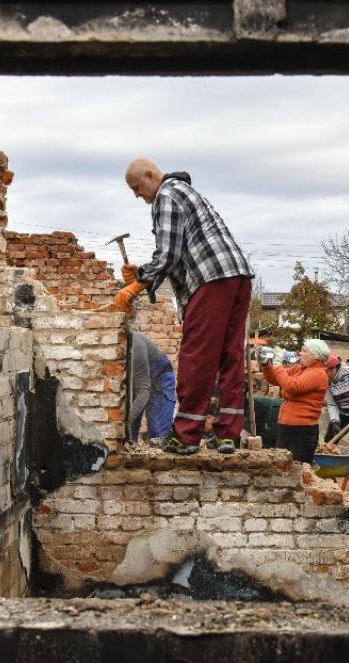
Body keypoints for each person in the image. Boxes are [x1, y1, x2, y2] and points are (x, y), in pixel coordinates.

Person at [116, 158, 253, 455]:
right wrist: (143, 275)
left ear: (151, 175)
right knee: (230, 355)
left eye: (137, 188)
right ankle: (228, 434)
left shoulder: (165, 195)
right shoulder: (185, 191)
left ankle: (186, 435)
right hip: (238, 276)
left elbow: (168, 254)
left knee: (197, 356)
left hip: (210, 278)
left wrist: (138, 284)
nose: (137, 195)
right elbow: (177, 252)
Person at [261, 339, 331, 463]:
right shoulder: (299, 369)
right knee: (281, 466)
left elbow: (293, 386)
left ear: (315, 356)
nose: (300, 353)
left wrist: (277, 364)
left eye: (304, 351)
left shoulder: (318, 374)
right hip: (286, 427)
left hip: (302, 431)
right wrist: (266, 364)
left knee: (297, 468)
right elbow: (275, 379)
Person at [128, 332, 176, 445]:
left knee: (158, 434)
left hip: (160, 377)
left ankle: (159, 453)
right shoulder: (114, 352)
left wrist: (124, 424)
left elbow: (143, 393)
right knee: (129, 436)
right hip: (137, 378)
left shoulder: (135, 346)